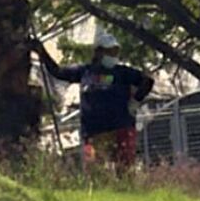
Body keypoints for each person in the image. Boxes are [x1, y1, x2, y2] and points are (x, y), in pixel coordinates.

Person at [33, 31, 153, 171]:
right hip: (93, 131)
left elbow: (147, 81)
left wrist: (136, 101)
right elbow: (58, 72)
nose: (113, 55)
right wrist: (42, 52)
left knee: (124, 169)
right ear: (98, 52)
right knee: (94, 171)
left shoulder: (123, 72)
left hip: (120, 127)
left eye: (115, 51)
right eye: (109, 51)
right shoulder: (85, 72)